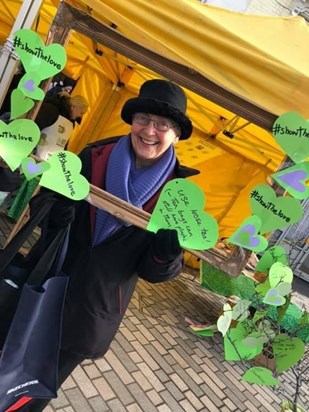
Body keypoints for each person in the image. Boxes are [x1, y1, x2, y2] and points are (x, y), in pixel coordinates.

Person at [22, 79, 199, 410]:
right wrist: (56, 213)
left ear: (176, 135)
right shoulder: (93, 156)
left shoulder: (179, 197)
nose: (150, 131)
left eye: (163, 125)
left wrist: (167, 254)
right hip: (43, 285)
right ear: (132, 121)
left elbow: (154, 272)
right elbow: (43, 207)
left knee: (33, 393)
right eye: (144, 119)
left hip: (91, 310)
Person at [35, 92, 89, 160]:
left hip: (50, 160)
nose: (80, 116)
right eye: (81, 113)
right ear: (73, 107)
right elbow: (34, 128)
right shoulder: (51, 110)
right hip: (34, 155)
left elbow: (64, 143)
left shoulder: (71, 123)